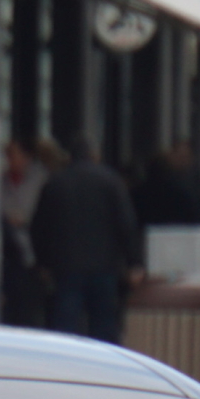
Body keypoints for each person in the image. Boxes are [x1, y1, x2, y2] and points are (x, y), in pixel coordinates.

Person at [31, 136, 143, 344]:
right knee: (104, 325)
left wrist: (43, 262)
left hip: (66, 267)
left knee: (65, 327)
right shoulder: (111, 182)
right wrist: (133, 262)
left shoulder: (55, 183)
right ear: (95, 155)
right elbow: (126, 224)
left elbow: (39, 227)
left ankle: (65, 366)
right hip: (104, 265)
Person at [1, 137, 51, 326]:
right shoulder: (0, 180)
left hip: (34, 252)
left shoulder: (41, 179)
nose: (8, 159)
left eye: (12, 155)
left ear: (26, 157)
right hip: (8, 253)